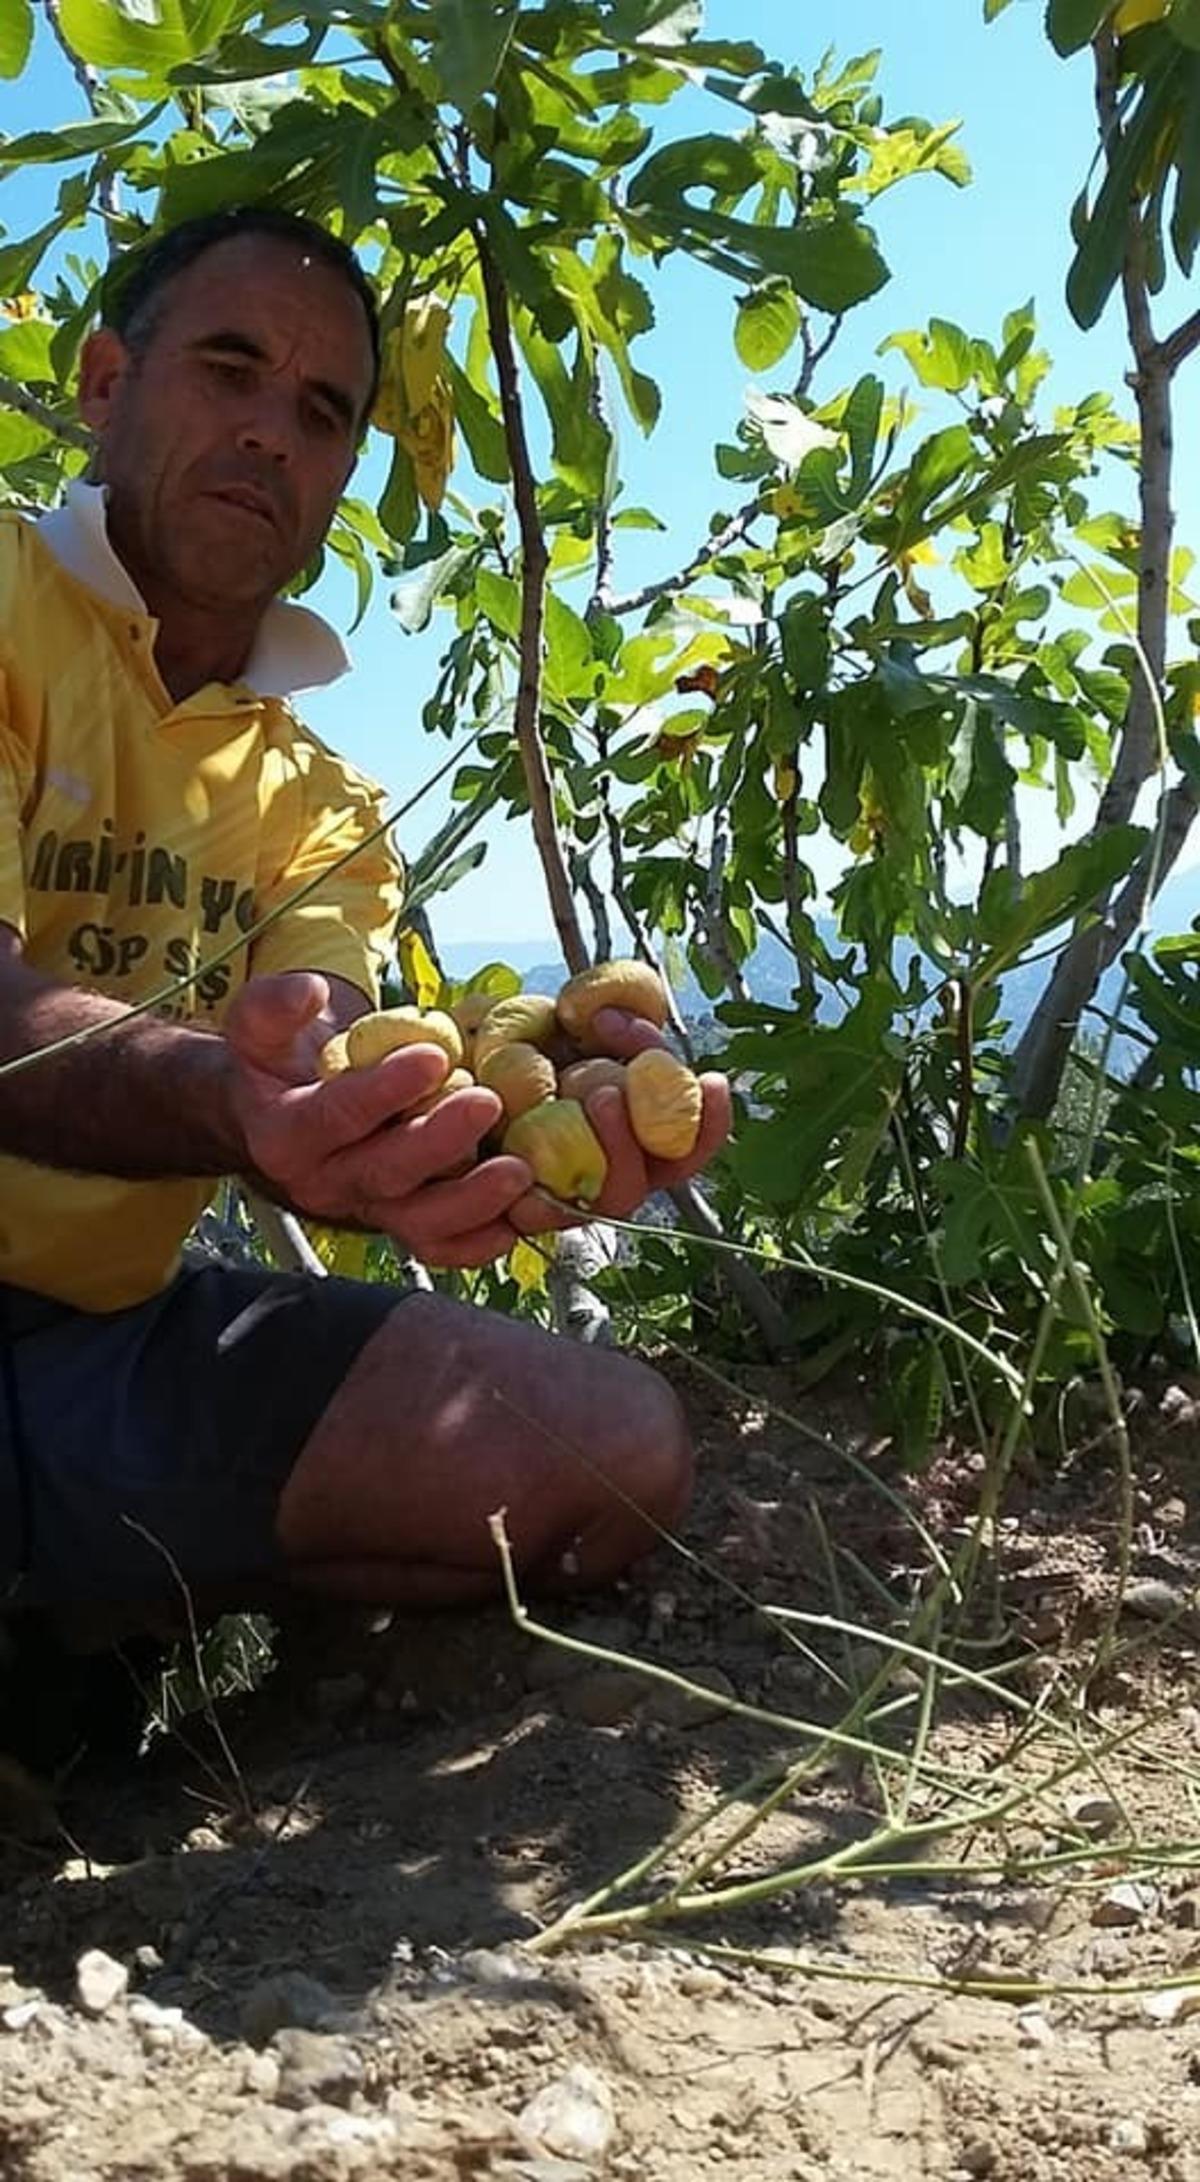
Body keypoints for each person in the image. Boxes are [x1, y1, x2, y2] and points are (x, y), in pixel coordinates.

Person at [0, 206, 731, 1641]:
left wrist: (434, 1135)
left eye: (322, 413)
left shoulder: (326, 806)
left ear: (342, 474)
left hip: (105, 1345)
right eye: (229, 369)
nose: (271, 432)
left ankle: (96, 1623)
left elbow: (316, 1061)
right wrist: (228, 1094)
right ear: (103, 383)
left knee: (613, 1448)